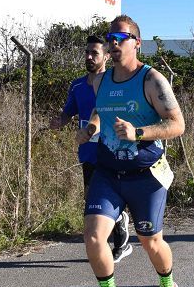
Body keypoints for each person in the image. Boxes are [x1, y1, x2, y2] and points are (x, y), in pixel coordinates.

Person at [78, 15, 185, 287]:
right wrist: (91, 128)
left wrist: (138, 132)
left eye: (120, 37)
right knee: (94, 235)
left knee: (150, 241)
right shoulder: (100, 80)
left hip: (145, 175)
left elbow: (177, 125)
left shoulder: (152, 81)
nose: (113, 42)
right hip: (108, 172)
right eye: (110, 37)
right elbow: (101, 109)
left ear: (137, 43)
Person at [48, 35, 132, 264]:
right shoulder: (77, 85)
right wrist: (61, 121)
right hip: (88, 151)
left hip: (113, 149)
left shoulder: (114, 83)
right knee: (91, 197)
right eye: (87, 52)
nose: (89, 57)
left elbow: (110, 110)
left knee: (105, 196)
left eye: (94, 53)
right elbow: (70, 111)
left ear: (106, 56)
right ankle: (119, 222)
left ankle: (118, 241)